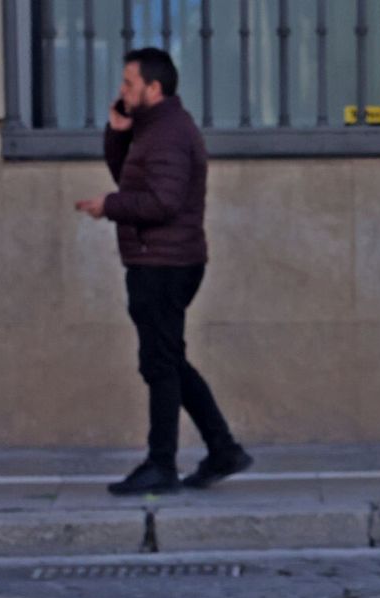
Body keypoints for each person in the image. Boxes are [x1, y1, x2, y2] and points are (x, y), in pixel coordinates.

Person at [75, 47, 252, 495]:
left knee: (160, 362)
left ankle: (162, 464)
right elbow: (133, 180)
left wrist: (108, 208)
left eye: (129, 84)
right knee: (166, 359)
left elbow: (162, 202)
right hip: (159, 260)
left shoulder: (170, 133)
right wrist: (117, 136)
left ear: (154, 88)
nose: (121, 91)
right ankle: (223, 449)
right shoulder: (153, 129)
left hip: (165, 264)